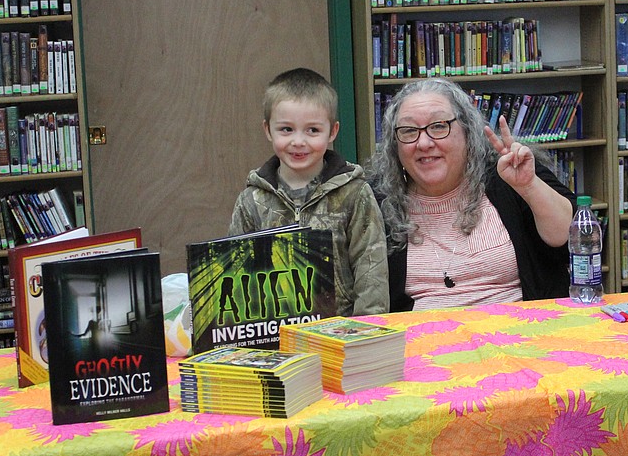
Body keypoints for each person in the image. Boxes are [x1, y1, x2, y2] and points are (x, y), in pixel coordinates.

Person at [366, 77, 576, 312]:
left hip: (520, 335)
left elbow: (569, 238)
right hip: (422, 343)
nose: (423, 143)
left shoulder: (508, 173)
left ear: (467, 131)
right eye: (408, 131)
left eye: (438, 126)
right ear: (395, 146)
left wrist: (529, 186)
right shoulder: (376, 201)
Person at [229, 67, 389, 317]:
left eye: (313, 130)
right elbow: (237, 273)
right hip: (274, 334)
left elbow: (371, 269)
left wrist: (367, 332)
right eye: (286, 129)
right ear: (267, 130)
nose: (299, 141)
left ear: (333, 132)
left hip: (341, 332)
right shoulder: (251, 200)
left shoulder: (355, 193)